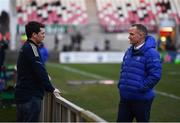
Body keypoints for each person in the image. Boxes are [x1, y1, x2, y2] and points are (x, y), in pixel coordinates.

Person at [15, 21, 60, 122]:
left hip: (23, 95)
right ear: (34, 35)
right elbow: (39, 70)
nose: (44, 36)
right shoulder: (32, 48)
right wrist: (51, 88)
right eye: (42, 33)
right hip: (30, 96)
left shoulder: (27, 47)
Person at [117, 24, 162, 122]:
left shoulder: (151, 53)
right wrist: (121, 85)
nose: (129, 37)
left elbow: (155, 75)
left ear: (141, 35)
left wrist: (141, 89)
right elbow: (123, 69)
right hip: (125, 99)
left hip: (141, 100)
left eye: (131, 34)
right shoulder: (129, 51)